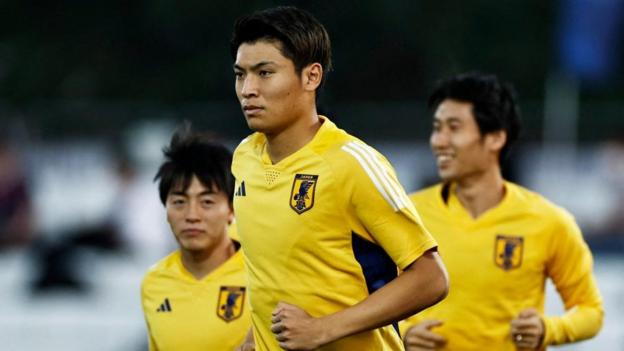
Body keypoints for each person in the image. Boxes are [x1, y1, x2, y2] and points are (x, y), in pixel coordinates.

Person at [230, 6, 449, 351]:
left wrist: (321, 329)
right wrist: (253, 338)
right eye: (241, 74)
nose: (248, 90)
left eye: (265, 73)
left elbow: (431, 278)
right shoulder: (244, 157)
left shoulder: (351, 164)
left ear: (311, 77)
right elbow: (275, 273)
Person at [400, 72, 603, 350]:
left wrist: (549, 328)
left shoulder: (548, 221)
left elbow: (590, 311)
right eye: (437, 128)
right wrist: (402, 333)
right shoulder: (406, 215)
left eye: (454, 127)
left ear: (495, 138)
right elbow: (362, 298)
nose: (439, 141)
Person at [141, 126, 250, 351]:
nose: (192, 216)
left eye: (207, 202)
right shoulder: (154, 283)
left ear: (231, 209)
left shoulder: (262, 275)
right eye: (179, 202)